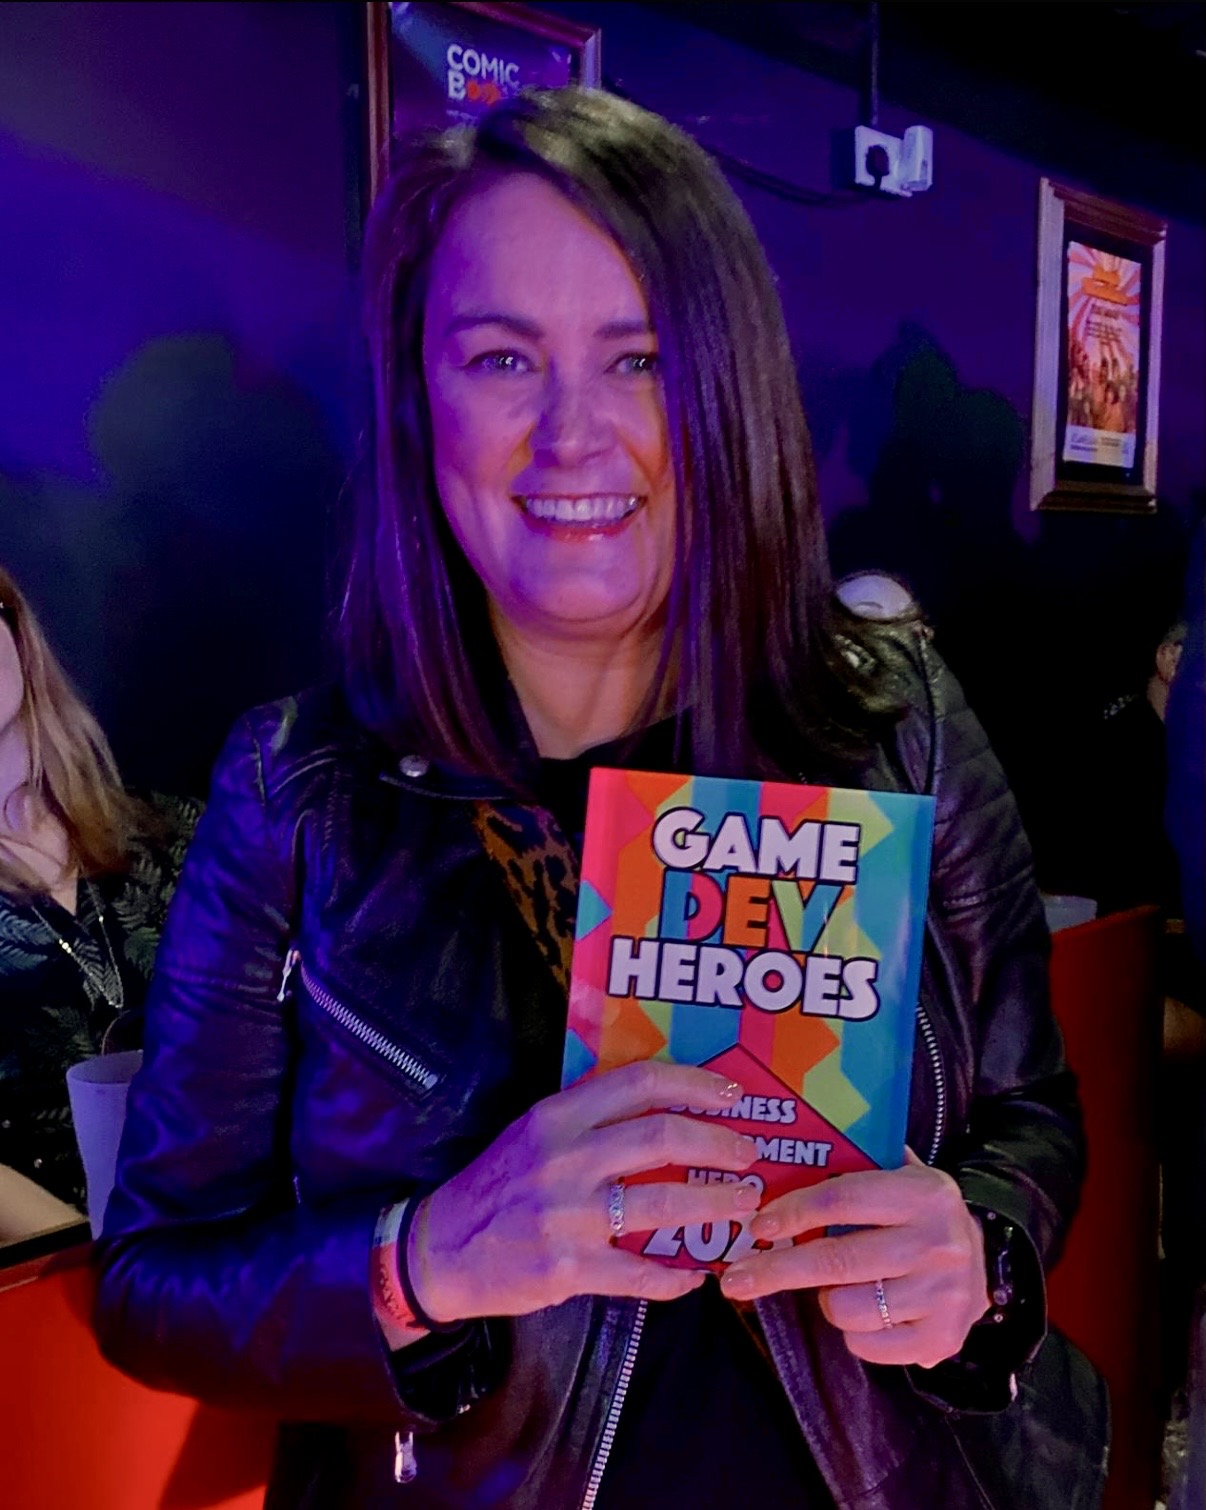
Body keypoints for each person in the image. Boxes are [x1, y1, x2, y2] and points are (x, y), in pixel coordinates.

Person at [94, 89, 1105, 1509]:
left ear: (726, 392)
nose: (572, 433)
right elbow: (153, 1282)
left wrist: (977, 1252)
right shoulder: (297, 792)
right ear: (420, 397)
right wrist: (424, 1260)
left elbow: (1029, 1111)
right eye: (503, 357)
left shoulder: (897, 720)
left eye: (639, 358)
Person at [0, 567, 200, 1238]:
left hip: (245, 1246)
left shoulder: (181, 834)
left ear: (15, 627)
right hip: (57, 1270)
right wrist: (92, 1262)